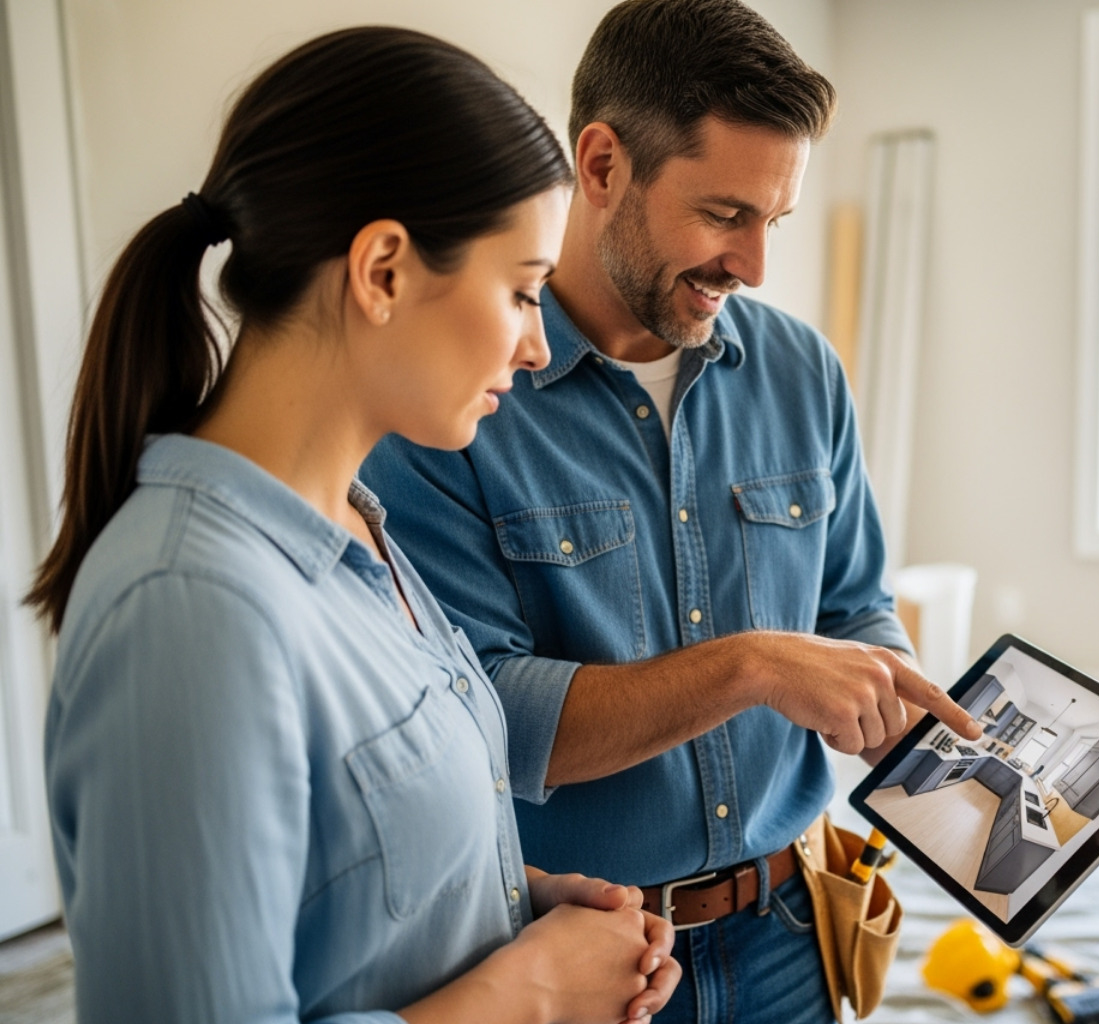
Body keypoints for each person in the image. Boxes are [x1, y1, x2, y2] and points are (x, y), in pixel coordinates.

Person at [26, 26, 681, 1024]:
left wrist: (507, 906)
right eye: (519, 291)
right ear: (382, 270)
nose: (539, 347)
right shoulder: (189, 609)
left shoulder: (363, 538)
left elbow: (340, 879)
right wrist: (529, 992)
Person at [360, 3, 982, 1021]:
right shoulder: (455, 398)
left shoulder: (802, 370)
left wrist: (882, 697)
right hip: (581, 953)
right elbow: (483, 720)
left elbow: (855, 603)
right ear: (601, 164)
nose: (755, 267)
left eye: (772, 222)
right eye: (726, 214)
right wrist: (754, 666)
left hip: (790, 927)